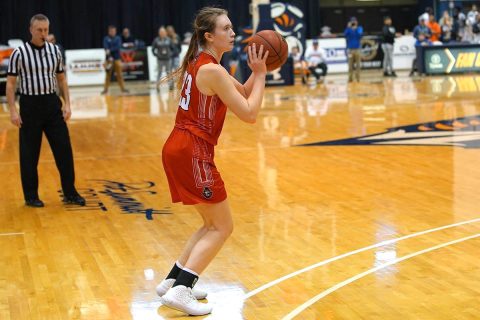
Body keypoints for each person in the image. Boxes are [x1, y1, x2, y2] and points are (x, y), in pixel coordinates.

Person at [157, 7, 268, 316]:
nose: (233, 33)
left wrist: (258, 75)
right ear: (210, 36)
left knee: (210, 223)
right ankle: (181, 291)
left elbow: (244, 92)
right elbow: (249, 113)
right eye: (226, 28)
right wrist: (260, 73)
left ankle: (173, 282)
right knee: (222, 226)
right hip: (192, 151)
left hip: (181, 148)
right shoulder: (212, 70)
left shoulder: (203, 64)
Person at [6, 14, 85, 207]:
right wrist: (13, 111)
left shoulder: (54, 51)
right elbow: (10, 84)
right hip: (29, 106)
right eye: (39, 30)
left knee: (64, 151)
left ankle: (70, 193)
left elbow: (61, 79)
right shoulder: (19, 53)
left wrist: (67, 104)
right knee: (29, 155)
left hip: (51, 105)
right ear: (31, 30)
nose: (43, 34)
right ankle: (31, 196)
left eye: (46, 30)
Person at [101, 25, 128, 95]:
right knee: (108, 75)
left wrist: (110, 50)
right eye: (111, 31)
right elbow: (105, 47)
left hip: (117, 59)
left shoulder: (118, 38)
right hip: (109, 60)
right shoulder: (106, 38)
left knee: (119, 75)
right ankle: (105, 90)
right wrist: (109, 51)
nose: (113, 32)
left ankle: (123, 89)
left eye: (114, 31)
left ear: (115, 31)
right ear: (109, 31)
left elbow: (118, 47)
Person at [152, 26, 173, 91]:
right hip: (160, 59)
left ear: (165, 33)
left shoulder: (169, 39)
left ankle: (171, 85)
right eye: (161, 32)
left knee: (169, 72)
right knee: (159, 72)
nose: (162, 33)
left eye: (163, 32)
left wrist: (171, 54)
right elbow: (153, 49)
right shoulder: (156, 40)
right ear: (159, 33)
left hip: (168, 59)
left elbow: (173, 48)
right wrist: (156, 55)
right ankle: (158, 86)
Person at [344, 17, 363, 82]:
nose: (353, 23)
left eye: (354, 21)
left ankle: (358, 78)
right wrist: (348, 27)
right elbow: (345, 34)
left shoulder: (359, 28)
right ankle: (350, 78)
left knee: (358, 65)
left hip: (357, 49)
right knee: (350, 65)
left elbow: (360, 36)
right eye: (352, 22)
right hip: (350, 49)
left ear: (356, 22)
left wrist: (356, 29)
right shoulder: (348, 29)